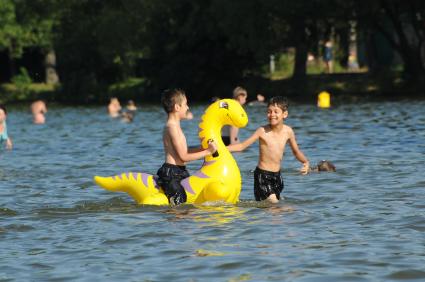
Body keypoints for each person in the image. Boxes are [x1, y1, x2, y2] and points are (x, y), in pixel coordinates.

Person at [228, 96, 309, 203]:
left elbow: (296, 151)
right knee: (275, 204)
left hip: (277, 177)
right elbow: (242, 146)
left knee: (272, 210)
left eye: (276, 112)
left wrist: (305, 162)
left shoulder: (288, 131)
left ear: (285, 114)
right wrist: (222, 148)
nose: (272, 115)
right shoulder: (262, 131)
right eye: (269, 112)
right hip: (262, 176)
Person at [156, 89, 217, 205]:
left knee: (189, 206)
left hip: (180, 172)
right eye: (185, 104)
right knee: (181, 208)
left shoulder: (175, 126)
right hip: (171, 174)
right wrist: (208, 151)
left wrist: (203, 148)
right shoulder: (171, 128)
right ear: (177, 107)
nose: (188, 108)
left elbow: (185, 151)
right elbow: (184, 157)